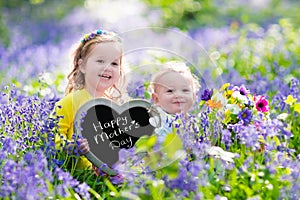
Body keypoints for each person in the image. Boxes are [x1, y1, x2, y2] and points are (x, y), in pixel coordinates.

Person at [54, 29, 126, 171]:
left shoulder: (113, 107)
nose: (108, 68)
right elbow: (54, 135)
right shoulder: (70, 102)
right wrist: (70, 146)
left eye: (114, 63)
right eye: (100, 61)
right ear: (82, 66)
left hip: (107, 178)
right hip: (80, 179)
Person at [150, 61, 200, 136]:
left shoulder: (192, 121)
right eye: (170, 91)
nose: (178, 95)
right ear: (156, 99)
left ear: (194, 95)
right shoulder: (158, 122)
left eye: (185, 90)